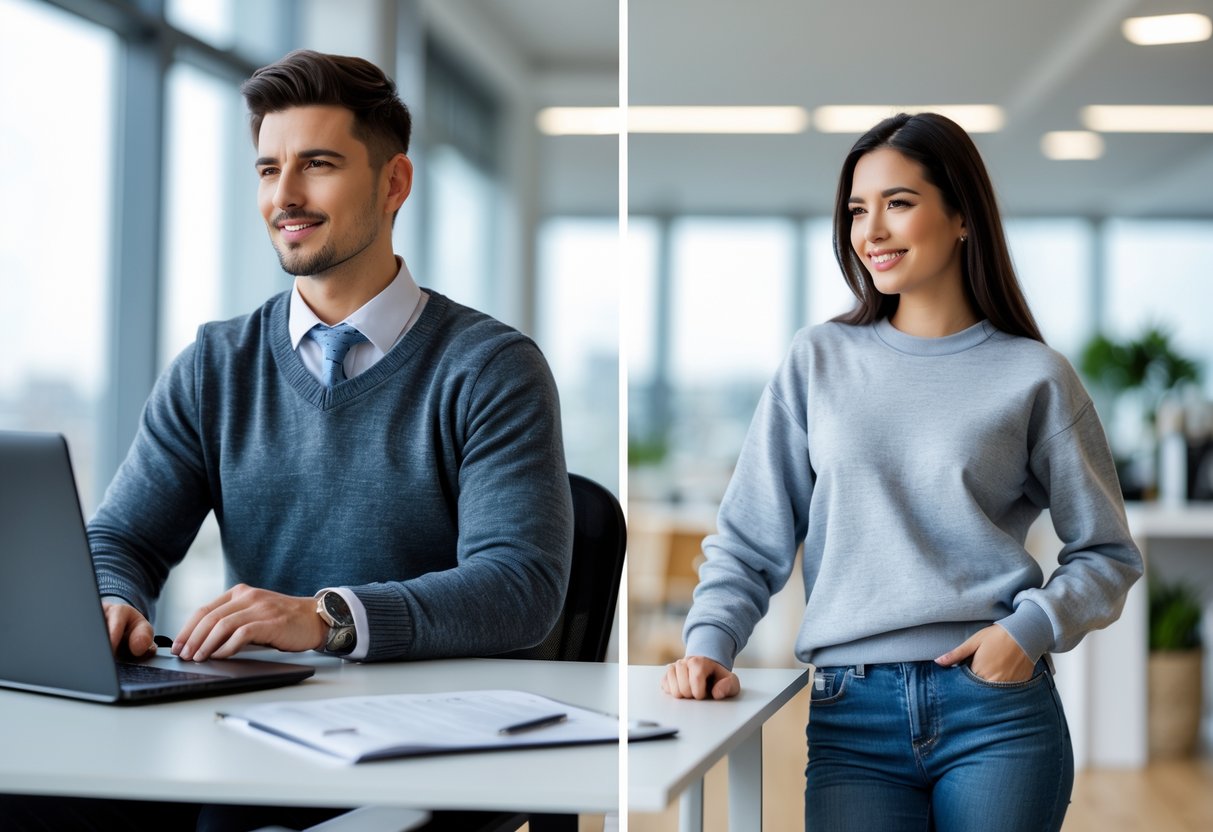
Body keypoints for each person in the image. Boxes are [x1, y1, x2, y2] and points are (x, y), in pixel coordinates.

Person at [2, 49, 572, 832]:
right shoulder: (216, 362)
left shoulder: (488, 368)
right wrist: (111, 601)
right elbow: (122, 537)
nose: (286, 196)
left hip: (426, 747)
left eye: (319, 164)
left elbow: (519, 587)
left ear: (394, 182)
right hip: (251, 731)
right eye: (268, 169)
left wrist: (328, 617)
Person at [661, 112, 1143, 831]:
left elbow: (1105, 553)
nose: (871, 231)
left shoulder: (1032, 375)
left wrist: (1031, 629)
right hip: (850, 716)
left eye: (898, 203)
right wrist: (708, 644)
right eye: (858, 209)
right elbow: (748, 536)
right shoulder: (816, 361)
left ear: (960, 218)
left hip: (996, 710)